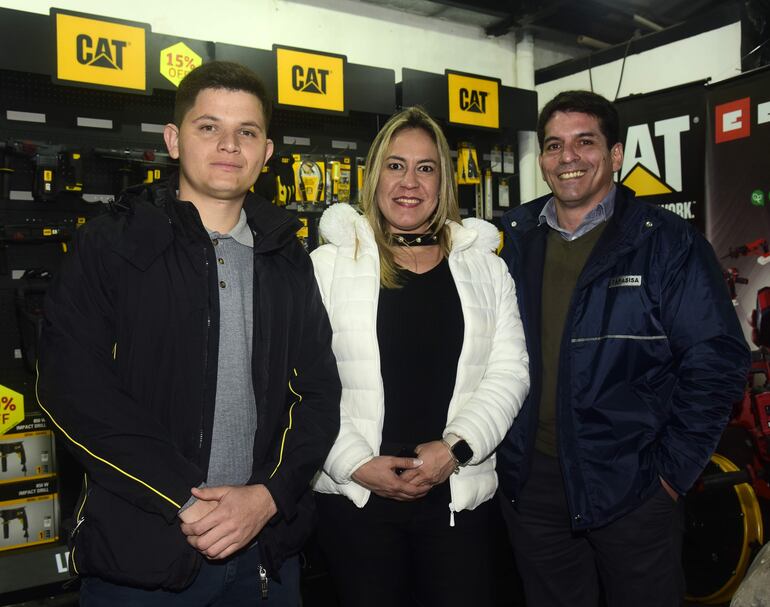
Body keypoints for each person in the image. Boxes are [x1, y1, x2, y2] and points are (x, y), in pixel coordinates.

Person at [36, 61, 341, 606]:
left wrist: (269, 497)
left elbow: (318, 394)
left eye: (246, 132)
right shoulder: (111, 245)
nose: (229, 145)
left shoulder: (287, 256)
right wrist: (185, 500)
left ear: (266, 152)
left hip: (265, 555)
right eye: (209, 127)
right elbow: (73, 389)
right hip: (142, 558)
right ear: (174, 140)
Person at [497, 89, 750, 607]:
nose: (567, 157)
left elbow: (716, 360)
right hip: (533, 484)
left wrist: (669, 476)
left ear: (615, 155)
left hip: (633, 486)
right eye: (553, 145)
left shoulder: (667, 242)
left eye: (584, 142)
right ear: (542, 158)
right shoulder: (510, 239)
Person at [309, 106, 530, 607]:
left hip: (457, 498)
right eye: (395, 165)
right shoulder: (325, 268)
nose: (410, 182)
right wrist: (353, 462)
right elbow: (300, 380)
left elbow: (509, 372)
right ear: (374, 174)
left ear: (443, 180)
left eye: (425, 167)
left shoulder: (485, 270)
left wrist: (455, 449)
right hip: (357, 500)